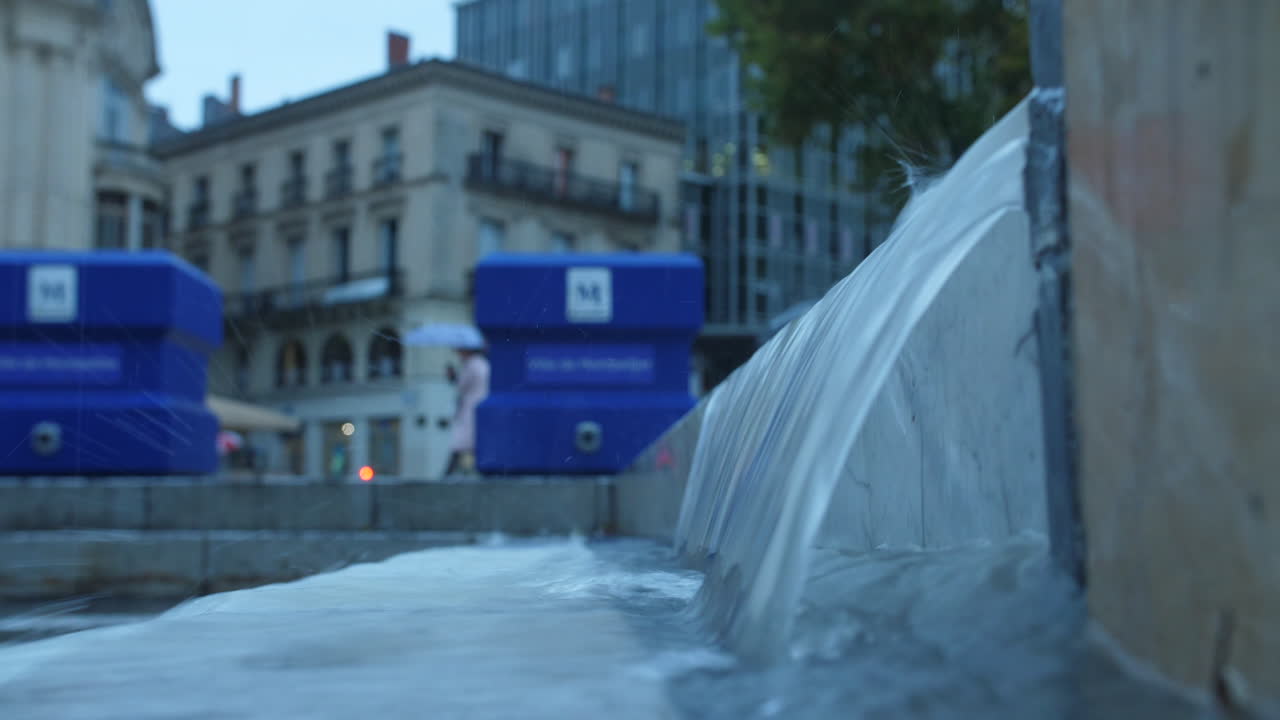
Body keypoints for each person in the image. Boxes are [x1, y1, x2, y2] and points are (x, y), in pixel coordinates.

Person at [444, 345, 490, 476]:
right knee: (472, 442)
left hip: (470, 408)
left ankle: (448, 474)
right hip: (480, 405)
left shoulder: (471, 365)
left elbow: (461, 386)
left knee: (460, 443)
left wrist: (452, 376)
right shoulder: (483, 363)